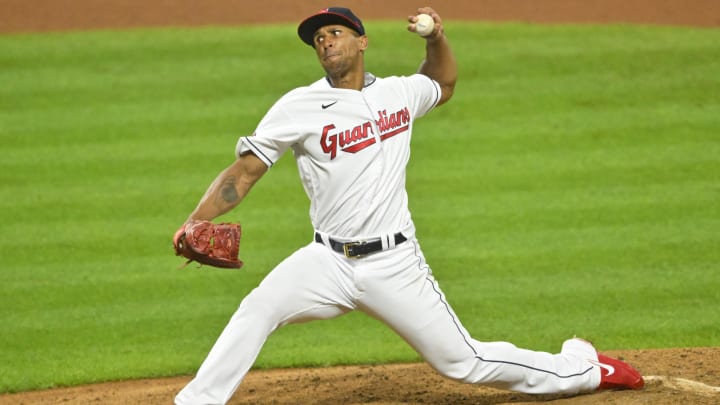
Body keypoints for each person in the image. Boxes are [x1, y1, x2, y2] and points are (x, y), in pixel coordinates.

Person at [173, 6, 644, 404]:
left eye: (335, 33)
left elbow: (443, 83)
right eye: (318, 39)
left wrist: (436, 38)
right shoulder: (298, 105)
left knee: (464, 362)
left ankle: (583, 368)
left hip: (394, 263)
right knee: (258, 308)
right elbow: (244, 172)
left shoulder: (397, 94)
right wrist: (198, 219)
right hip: (325, 261)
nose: (325, 43)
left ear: (362, 42)